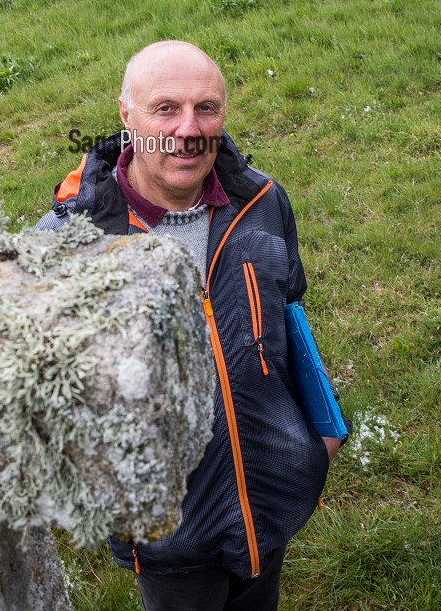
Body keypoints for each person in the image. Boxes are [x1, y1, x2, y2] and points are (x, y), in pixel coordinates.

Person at [35, 40, 347, 611]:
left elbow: (289, 314)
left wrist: (316, 435)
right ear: (127, 117)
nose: (189, 129)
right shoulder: (69, 244)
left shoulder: (262, 202)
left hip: (271, 502)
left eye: (207, 108)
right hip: (169, 534)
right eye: (165, 109)